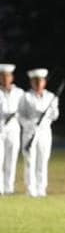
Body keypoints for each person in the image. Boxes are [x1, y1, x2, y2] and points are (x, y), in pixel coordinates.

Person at [18, 68, 59, 197]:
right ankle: (30, 189)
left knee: (43, 160)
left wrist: (49, 113)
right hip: (30, 133)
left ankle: (41, 189)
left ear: (44, 82)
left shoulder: (51, 97)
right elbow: (20, 115)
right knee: (30, 161)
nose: (38, 83)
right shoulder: (25, 97)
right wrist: (30, 124)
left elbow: (55, 115)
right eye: (35, 81)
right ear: (31, 82)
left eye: (40, 80)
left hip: (45, 132)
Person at [0, 64, 24, 195]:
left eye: (7, 76)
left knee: (11, 159)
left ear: (12, 77)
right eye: (2, 76)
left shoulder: (19, 93)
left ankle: (9, 188)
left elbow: (25, 111)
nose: (4, 78)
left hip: (14, 129)